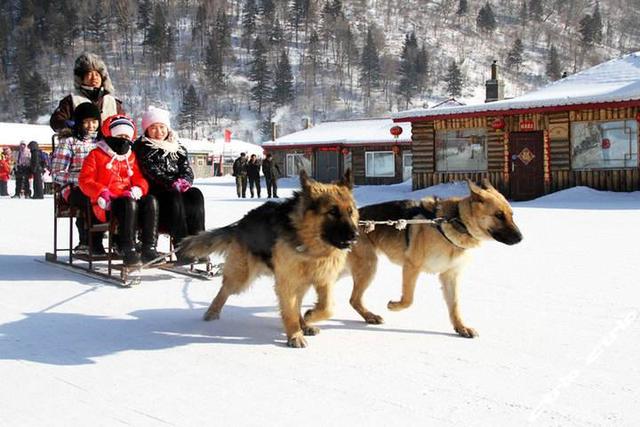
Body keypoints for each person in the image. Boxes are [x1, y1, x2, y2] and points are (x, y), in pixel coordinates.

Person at [79, 115, 159, 266]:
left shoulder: (131, 157)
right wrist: (101, 191)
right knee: (128, 204)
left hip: (129, 200)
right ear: (111, 135)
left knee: (150, 201)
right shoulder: (96, 155)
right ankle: (128, 249)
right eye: (119, 135)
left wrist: (137, 189)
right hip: (106, 204)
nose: (123, 139)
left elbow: (140, 179)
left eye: (126, 136)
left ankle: (149, 247)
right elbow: (85, 180)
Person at [133, 106, 205, 259]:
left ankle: (199, 244)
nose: (159, 132)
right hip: (154, 194)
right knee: (173, 195)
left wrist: (185, 181)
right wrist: (172, 183)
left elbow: (186, 168)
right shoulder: (142, 147)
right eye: (153, 128)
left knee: (195, 195)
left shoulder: (178, 148)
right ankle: (182, 247)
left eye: (162, 127)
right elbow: (151, 170)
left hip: (176, 191)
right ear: (146, 130)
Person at [52, 103, 103, 254]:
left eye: (94, 121)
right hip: (73, 186)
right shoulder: (69, 142)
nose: (91, 126)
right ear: (79, 122)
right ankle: (89, 241)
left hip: (100, 185)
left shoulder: (102, 143)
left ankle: (118, 239)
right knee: (91, 198)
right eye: (86, 122)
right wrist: (81, 178)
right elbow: (57, 172)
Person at [50, 52, 125, 133]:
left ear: (102, 78)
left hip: (108, 144)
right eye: (89, 74)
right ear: (81, 78)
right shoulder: (71, 100)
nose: (94, 78)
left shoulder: (113, 102)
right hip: (79, 144)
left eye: (97, 74)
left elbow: (125, 123)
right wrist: (69, 125)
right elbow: (56, 121)